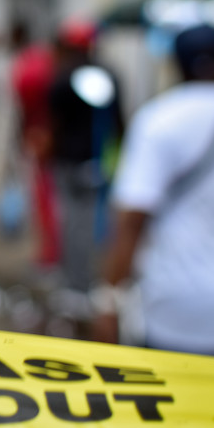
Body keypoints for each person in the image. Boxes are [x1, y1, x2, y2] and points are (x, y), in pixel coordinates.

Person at [93, 23, 214, 428]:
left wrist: (108, 298)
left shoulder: (159, 119)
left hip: (173, 302)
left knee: (149, 426)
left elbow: (130, 221)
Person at [46, 20, 124, 329]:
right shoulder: (109, 75)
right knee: (92, 224)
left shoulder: (63, 77)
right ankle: (86, 284)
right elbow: (119, 120)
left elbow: (54, 121)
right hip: (97, 160)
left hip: (69, 161)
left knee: (72, 224)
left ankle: (75, 288)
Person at [10, 20, 61, 272]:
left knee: (46, 200)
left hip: (40, 137)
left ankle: (51, 253)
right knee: (51, 199)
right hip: (48, 137)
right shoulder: (45, 62)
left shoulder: (29, 65)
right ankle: (52, 251)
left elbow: (24, 109)